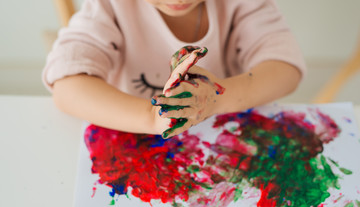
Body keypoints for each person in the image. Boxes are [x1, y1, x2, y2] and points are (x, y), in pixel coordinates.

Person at [42, 0, 306, 138]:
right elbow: (67, 86)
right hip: (131, 127)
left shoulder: (242, 3)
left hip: (227, 130)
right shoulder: (109, 5)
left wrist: (217, 97)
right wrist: (151, 116)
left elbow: (285, 68)